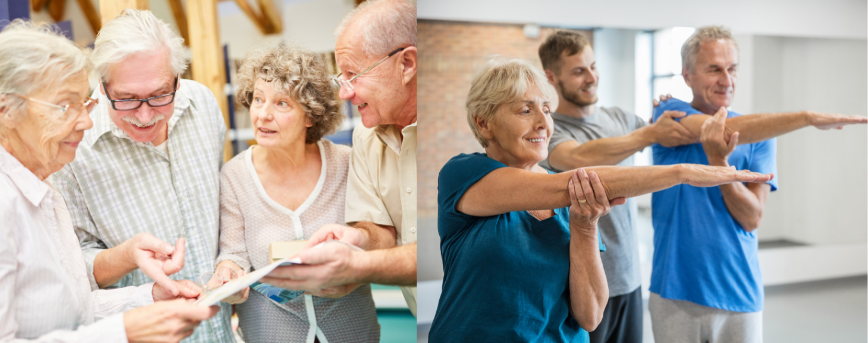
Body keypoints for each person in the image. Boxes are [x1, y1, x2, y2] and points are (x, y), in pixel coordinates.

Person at [428, 57, 774, 342]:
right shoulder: (463, 174)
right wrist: (683, 172)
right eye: (524, 110)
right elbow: (576, 181)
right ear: (484, 123)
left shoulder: (567, 200)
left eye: (546, 109)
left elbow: (591, 316)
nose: (542, 123)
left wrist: (584, 225)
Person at [0, 20, 218, 343]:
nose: (87, 120)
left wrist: (149, 299)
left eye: (82, 103)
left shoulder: (44, 191)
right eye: (65, 106)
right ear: (7, 111)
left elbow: (78, 307)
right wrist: (124, 331)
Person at [647, 26, 866, 343]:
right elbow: (719, 129)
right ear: (687, 74)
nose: (727, 79)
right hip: (674, 291)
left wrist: (719, 164)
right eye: (714, 69)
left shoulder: (761, 139)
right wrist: (806, 117)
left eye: (732, 68)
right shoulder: (668, 115)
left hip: (739, 293)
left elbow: (752, 217)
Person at [52, 10, 235, 342]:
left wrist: (231, 263)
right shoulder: (74, 150)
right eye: (127, 99)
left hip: (218, 329)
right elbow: (72, 271)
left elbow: (224, 210)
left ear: (178, 78)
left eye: (161, 94)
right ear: (103, 87)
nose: (146, 115)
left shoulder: (203, 105)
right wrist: (125, 254)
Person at [261, 0, 419, 316]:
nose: (344, 93)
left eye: (353, 74)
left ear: (406, 64)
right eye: (340, 77)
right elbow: (382, 234)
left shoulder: (462, 130)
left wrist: (357, 266)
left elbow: (454, 252)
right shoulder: (366, 136)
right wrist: (357, 238)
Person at [538, 30, 697, 343]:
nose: (591, 77)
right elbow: (578, 158)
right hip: (583, 287)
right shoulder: (550, 130)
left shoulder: (621, 118)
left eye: (593, 66)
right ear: (551, 77)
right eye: (578, 71)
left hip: (629, 279)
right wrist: (649, 134)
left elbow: (672, 133)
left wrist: (669, 111)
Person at [213, 42, 379, 343]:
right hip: (270, 333)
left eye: (281, 104)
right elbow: (233, 253)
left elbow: (372, 238)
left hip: (351, 329)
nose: (262, 115)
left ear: (310, 115)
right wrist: (227, 273)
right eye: (258, 99)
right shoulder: (235, 175)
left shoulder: (346, 163)